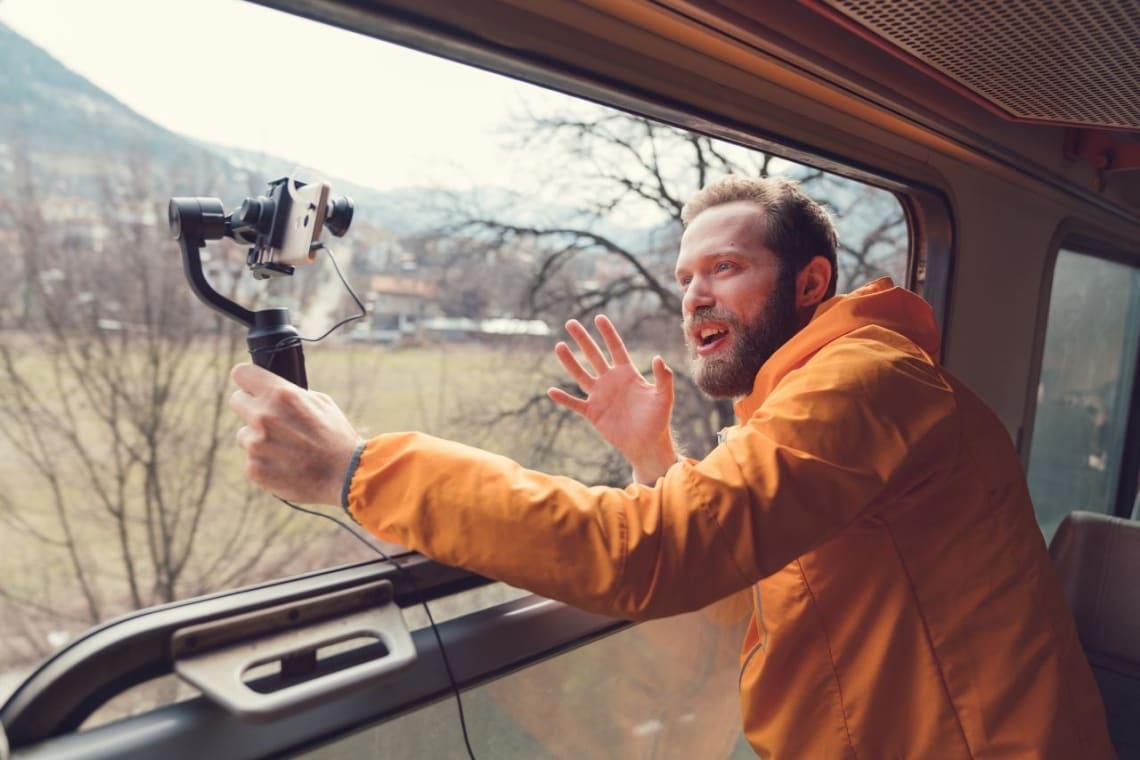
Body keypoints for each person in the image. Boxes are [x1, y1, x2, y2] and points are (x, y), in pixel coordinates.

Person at [230, 176, 1113, 759]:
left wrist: (358, 467)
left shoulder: (866, 383)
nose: (693, 293)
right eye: (686, 275)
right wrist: (657, 457)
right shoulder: (793, 415)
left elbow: (652, 555)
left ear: (810, 286)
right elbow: (739, 580)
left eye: (725, 268)